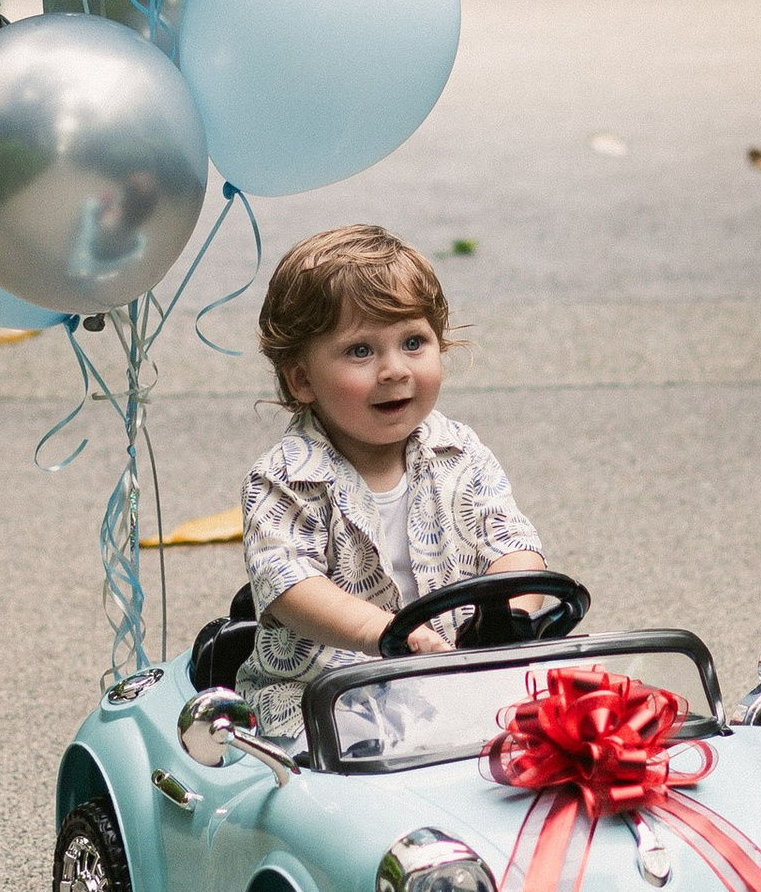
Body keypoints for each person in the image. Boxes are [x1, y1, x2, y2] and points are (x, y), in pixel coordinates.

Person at [233, 222, 547, 748]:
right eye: (361, 351)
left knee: (566, 720)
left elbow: (513, 545)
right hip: (327, 691)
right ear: (302, 380)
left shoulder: (459, 451)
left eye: (413, 342)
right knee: (352, 751)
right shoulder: (286, 477)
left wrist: (507, 613)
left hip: (454, 673)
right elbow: (289, 586)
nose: (394, 370)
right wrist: (381, 632)